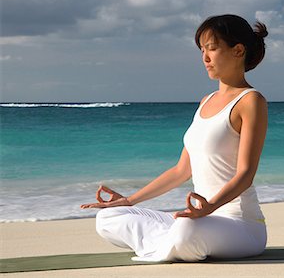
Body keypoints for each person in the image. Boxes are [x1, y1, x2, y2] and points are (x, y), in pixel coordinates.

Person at [81, 14, 269, 262]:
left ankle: (170, 242)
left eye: (212, 48)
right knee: (108, 217)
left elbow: (245, 174)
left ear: (238, 51)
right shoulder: (206, 101)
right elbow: (181, 171)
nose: (205, 58)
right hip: (202, 218)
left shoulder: (251, 101)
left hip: (240, 225)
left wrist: (210, 207)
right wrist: (129, 200)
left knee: (185, 230)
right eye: (202, 50)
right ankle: (172, 242)